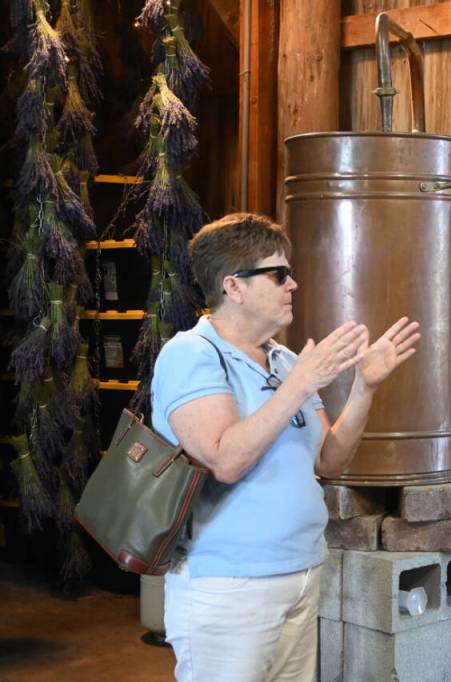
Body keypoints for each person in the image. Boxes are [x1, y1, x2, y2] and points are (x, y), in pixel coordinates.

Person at [150, 213, 421, 681]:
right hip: (230, 583)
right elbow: (225, 460)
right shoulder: (192, 354)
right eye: (278, 274)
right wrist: (299, 384)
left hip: (300, 573)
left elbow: (330, 460)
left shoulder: (284, 360)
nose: (292, 284)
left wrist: (365, 387)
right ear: (234, 286)